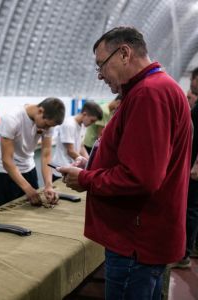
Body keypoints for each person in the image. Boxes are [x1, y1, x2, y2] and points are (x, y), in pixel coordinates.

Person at [58, 27, 192, 300]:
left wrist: (85, 179)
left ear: (124, 53)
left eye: (101, 65)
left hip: (136, 242)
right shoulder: (157, 88)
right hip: (146, 238)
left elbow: (141, 178)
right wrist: (92, 163)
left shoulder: (148, 94)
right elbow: (143, 161)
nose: (99, 75)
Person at [0, 97, 65, 207]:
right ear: (40, 111)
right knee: (4, 215)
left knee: (35, 207)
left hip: (29, 168)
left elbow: (46, 154)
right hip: (6, 173)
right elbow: (7, 160)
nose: (47, 129)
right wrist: (27, 188)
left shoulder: (48, 122)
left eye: (50, 127)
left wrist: (48, 185)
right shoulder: (11, 119)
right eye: (46, 125)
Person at [171, 68, 198, 267]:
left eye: (193, 79)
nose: (191, 83)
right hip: (190, 165)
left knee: (190, 209)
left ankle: (184, 254)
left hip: (194, 169)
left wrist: (196, 165)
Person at [51, 101, 103, 181]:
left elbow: (81, 147)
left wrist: (89, 161)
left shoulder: (83, 126)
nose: (92, 124)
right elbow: (70, 151)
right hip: (61, 168)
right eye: (92, 121)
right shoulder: (69, 124)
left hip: (72, 167)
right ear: (84, 114)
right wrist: (87, 164)